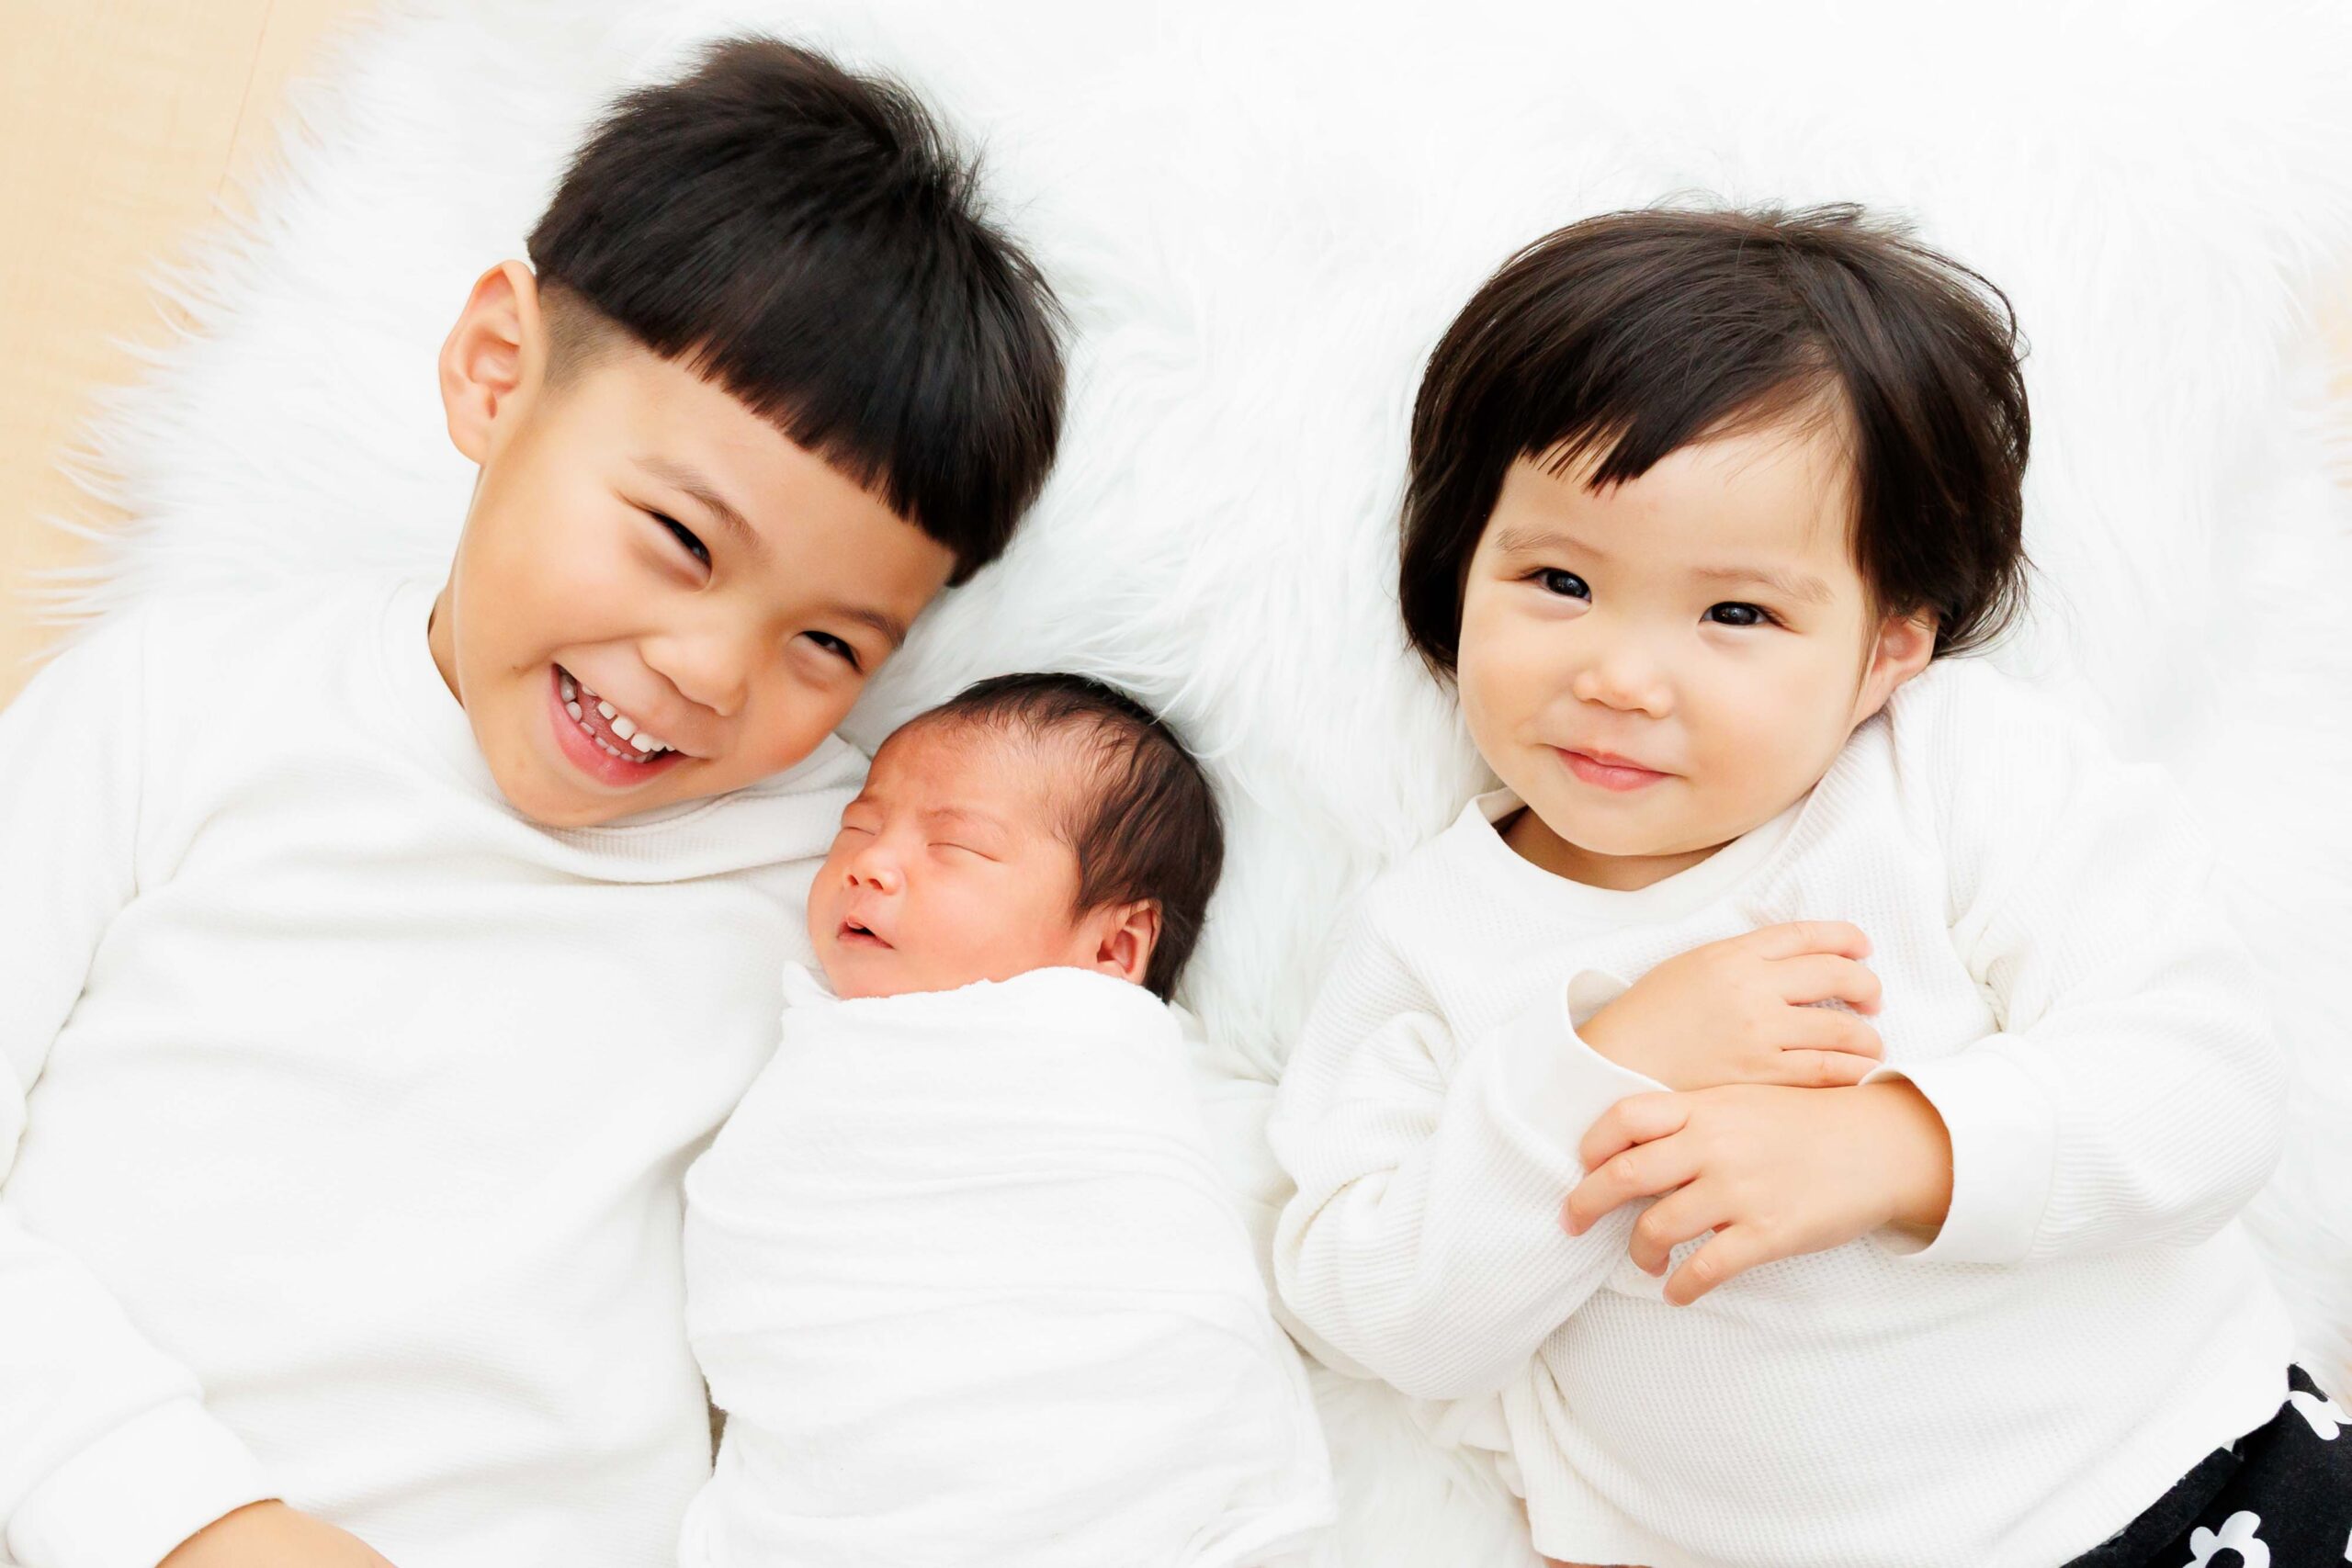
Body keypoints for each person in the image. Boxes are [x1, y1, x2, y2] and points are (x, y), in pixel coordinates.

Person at [0, 37, 1063, 1568]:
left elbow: (1005, 1236)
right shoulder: (180, 700)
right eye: (681, 540)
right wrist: (189, 1522)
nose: (709, 670)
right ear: (497, 368)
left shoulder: (844, 891)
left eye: (830, 645)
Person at [1268, 205, 2344, 1568]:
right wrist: (1597, 1069)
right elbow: (1371, 1313)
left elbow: (2206, 1080)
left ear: (1889, 647)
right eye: (1557, 579)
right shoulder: (1431, 938)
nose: (1620, 676)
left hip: (2181, 1471)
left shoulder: (1949, 775)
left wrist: (1898, 1146)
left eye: (1736, 613)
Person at [680, 673, 1334, 1567]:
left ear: (1113, 947)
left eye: (954, 847)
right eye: (857, 828)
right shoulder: (813, 1033)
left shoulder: (1130, 1076)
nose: (869, 864)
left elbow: (1232, 1274)